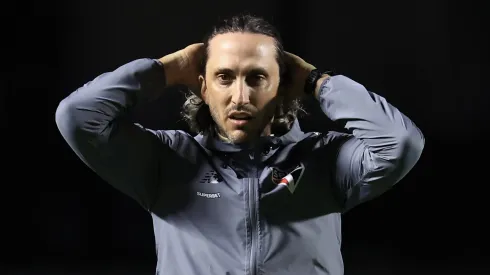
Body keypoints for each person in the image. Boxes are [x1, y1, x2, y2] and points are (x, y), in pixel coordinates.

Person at [55, 13, 424, 275]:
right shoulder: (167, 161)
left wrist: (318, 82)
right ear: (203, 86)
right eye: (224, 77)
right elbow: (77, 116)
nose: (240, 96)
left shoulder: (324, 159)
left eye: (257, 77)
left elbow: (401, 142)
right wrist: (165, 69)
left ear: (282, 87)